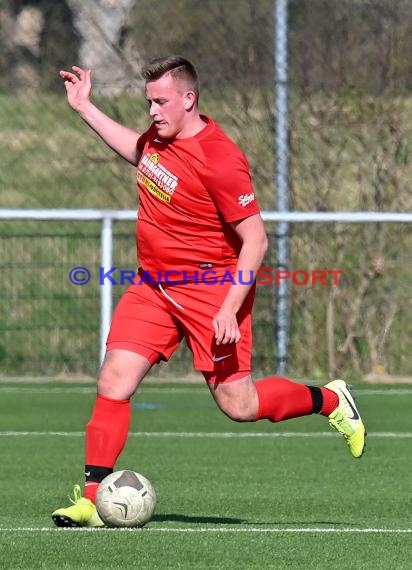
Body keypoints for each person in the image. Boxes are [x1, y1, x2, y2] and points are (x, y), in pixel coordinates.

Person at [52, 56, 366, 528]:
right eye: (149, 102)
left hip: (212, 291)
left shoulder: (219, 158)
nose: (153, 111)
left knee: (239, 405)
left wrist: (229, 308)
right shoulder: (158, 141)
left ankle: (332, 400)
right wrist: (85, 108)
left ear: (188, 99)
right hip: (154, 286)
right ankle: (92, 498)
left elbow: (255, 240)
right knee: (113, 381)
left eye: (161, 102)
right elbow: (138, 152)